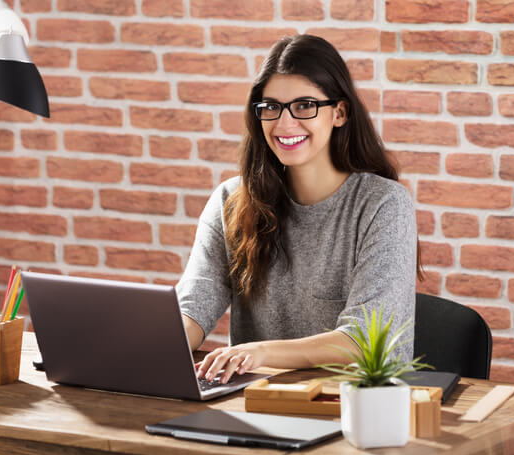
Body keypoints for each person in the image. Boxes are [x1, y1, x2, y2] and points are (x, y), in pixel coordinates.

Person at [176, 34, 420, 384]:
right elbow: (193, 307)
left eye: (304, 105)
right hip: (258, 405)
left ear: (339, 112)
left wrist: (258, 352)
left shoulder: (382, 205)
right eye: (271, 107)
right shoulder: (231, 201)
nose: (285, 123)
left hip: (354, 410)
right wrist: (149, 349)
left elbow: (364, 341)